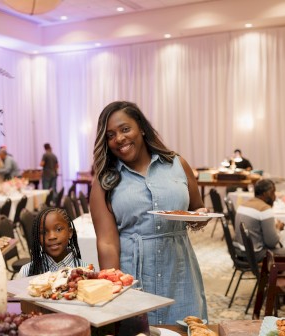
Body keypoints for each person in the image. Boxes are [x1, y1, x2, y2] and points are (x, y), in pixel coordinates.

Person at [89, 101, 209, 325]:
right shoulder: (104, 180)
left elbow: (196, 208)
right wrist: (112, 291)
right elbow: (107, 242)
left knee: (185, 327)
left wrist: (200, 217)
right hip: (132, 276)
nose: (119, 139)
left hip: (179, 271)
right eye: (111, 135)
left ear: (141, 128)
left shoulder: (177, 164)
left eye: (126, 129)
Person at [233, 179, 285, 262]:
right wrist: (278, 229)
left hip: (239, 251)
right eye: (273, 193)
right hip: (255, 255)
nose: (274, 197)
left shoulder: (243, 205)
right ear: (265, 193)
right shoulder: (264, 209)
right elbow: (271, 243)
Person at [18, 207, 87, 277]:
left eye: (58, 229)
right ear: (38, 237)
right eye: (44, 232)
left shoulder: (84, 270)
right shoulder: (26, 272)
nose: (52, 236)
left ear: (70, 233)